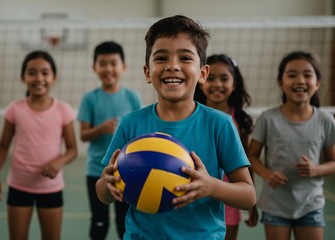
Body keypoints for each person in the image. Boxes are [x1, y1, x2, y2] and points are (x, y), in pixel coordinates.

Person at [95, 15, 256, 239]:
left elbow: (248, 196)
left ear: (202, 74)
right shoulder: (131, 123)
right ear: (147, 72)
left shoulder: (219, 123)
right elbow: (103, 193)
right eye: (161, 58)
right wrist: (107, 184)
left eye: (185, 58)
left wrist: (211, 187)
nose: (172, 66)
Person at [247, 50, 335, 240]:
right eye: (292, 75)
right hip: (275, 206)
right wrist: (267, 173)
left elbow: (334, 164)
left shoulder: (325, 119)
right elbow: (251, 156)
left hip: (311, 205)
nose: (300, 80)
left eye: (307, 75)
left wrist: (315, 169)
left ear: (317, 83)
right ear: (281, 83)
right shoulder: (268, 118)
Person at [0, 50, 78, 240]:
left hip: (50, 188)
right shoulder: (15, 109)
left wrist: (58, 162)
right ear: (23, 77)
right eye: (32, 72)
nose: (39, 78)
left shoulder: (63, 110)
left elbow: (72, 149)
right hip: (19, 186)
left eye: (45, 72)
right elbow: (3, 145)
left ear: (54, 77)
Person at [78, 41, 142, 240]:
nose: (108, 68)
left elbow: (140, 133)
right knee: (99, 220)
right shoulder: (90, 99)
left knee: (124, 221)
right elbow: (83, 134)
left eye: (113, 63)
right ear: (94, 68)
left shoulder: (132, 97)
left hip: (128, 171)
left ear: (123, 66)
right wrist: (101, 129)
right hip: (97, 171)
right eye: (103, 63)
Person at [194, 54, 258, 240]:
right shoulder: (190, 114)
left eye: (224, 78)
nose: (217, 84)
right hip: (196, 196)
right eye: (211, 78)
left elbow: (245, 165)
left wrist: (253, 206)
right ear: (201, 79)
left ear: (234, 84)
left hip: (228, 197)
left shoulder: (240, 121)